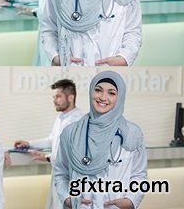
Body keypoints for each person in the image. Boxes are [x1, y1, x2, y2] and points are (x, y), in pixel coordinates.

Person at [54, 73, 147, 209]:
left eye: (111, 93)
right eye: (98, 90)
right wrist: (67, 199)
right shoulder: (71, 132)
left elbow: (139, 175)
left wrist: (130, 201)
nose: (103, 97)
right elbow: (61, 173)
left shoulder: (132, 133)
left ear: (120, 97)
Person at [14, 78, 83, 209]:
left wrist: (45, 157)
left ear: (71, 97)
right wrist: (29, 143)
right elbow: (52, 140)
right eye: (53, 97)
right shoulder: (61, 118)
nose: (54, 101)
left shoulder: (77, 121)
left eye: (58, 96)